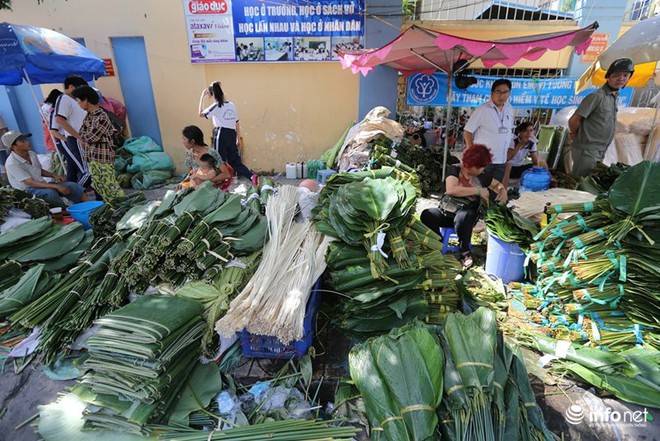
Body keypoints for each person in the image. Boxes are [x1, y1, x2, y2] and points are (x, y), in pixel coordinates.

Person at [420, 144, 507, 269]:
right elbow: (451, 189)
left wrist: (502, 190)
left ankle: (465, 251)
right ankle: (438, 242)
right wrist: (478, 190)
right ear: (469, 165)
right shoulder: (455, 169)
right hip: (448, 213)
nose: (482, 170)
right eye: (479, 167)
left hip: (467, 217)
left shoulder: (482, 175)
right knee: (427, 214)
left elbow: (497, 185)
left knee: (462, 217)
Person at [568, 58, 634, 178]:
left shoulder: (612, 97)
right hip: (587, 150)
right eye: (616, 75)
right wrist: (577, 134)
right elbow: (574, 120)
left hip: (600, 150)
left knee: (588, 184)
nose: (621, 79)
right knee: (579, 184)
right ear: (608, 76)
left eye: (625, 75)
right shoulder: (597, 97)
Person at [70, 86, 125, 202]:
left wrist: (83, 138)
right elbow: (82, 132)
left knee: (110, 187)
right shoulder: (89, 116)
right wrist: (83, 137)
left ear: (86, 100)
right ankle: (112, 207)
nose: (78, 104)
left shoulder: (102, 116)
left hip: (103, 158)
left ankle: (124, 205)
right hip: (92, 158)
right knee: (100, 187)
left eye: (79, 101)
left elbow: (92, 137)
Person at [2, 131, 87, 205]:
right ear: (13, 147)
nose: (27, 142)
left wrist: (54, 175)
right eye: (22, 141)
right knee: (50, 193)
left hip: (40, 184)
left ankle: (91, 206)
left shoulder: (31, 154)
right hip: (26, 191)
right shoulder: (12, 163)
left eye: (26, 139)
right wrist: (56, 186)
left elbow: (38, 170)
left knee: (72, 186)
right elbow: (30, 183)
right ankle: (64, 213)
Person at [198, 81, 258, 185]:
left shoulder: (216, 106)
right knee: (234, 161)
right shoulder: (231, 105)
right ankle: (252, 176)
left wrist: (202, 97)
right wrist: (238, 139)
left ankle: (219, 184)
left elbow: (200, 114)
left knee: (218, 160)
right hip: (232, 134)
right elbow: (237, 123)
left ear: (212, 95)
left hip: (221, 134)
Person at [463, 79, 514, 183]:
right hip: (484, 161)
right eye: (498, 92)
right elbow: (468, 131)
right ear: (492, 93)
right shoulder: (482, 110)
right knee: (480, 190)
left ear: (509, 93)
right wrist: (471, 152)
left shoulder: (510, 108)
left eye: (505, 92)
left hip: (501, 160)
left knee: (495, 192)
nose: (502, 96)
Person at [51, 74, 90, 186]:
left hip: (83, 139)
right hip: (76, 140)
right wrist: (79, 137)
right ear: (72, 87)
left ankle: (99, 199)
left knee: (93, 172)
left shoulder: (74, 100)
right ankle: (73, 193)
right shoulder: (64, 99)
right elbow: (59, 120)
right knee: (87, 173)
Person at [178, 125, 232, 191]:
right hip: (197, 188)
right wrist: (183, 182)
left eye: (184, 139)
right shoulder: (189, 154)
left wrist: (207, 181)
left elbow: (226, 175)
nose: (182, 142)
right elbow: (191, 174)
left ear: (192, 141)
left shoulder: (211, 153)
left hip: (213, 189)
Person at [502, 121, 547, 188]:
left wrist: (540, 163)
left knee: (542, 162)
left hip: (519, 167)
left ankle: (547, 180)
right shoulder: (513, 141)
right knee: (509, 165)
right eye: (526, 131)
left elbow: (535, 160)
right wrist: (520, 145)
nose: (529, 133)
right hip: (508, 168)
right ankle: (504, 189)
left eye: (531, 131)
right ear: (520, 132)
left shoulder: (531, 143)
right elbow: (509, 157)